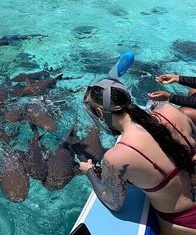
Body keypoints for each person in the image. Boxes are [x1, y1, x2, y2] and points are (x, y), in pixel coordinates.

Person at [79, 78, 196, 234]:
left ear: (100, 113)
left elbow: (114, 203)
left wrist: (89, 172)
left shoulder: (117, 157)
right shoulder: (169, 110)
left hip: (186, 221)